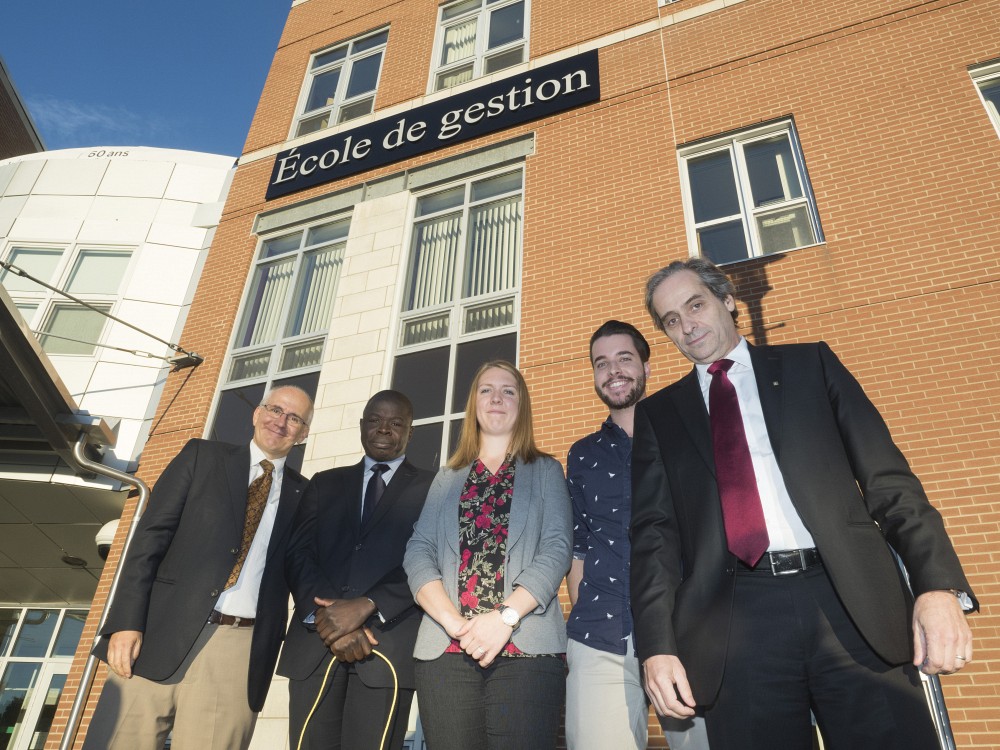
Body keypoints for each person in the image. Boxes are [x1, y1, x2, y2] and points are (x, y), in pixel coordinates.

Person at [630, 257, 977, 750]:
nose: (687, 325)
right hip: (735, 627)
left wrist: (937, 585)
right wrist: (657, 648)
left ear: (727, 300)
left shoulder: (811, 366)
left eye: (695, 305)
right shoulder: (659, 415)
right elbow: (653, 541)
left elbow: (889, 482)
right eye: (671, 320)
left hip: (849, 602)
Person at [86, 385, 313, 750]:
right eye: (275, 410)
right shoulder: (200, 456)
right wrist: (126, 621)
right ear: (256, 414)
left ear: (303, 434)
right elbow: (148, 541)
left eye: (295, 418)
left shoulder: (307, 496)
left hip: (239, 653)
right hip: (157, 634)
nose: (281, 422)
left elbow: (306, 571)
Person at [403, 360, 572, 750]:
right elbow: (418, 550)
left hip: (526, 647)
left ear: (521, 404)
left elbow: (557, 548)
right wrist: (454, 623)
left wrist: (505, 617)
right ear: (474, 404)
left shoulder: (546, 470)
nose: (497, 397)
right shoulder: (447, 477)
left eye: (508, 390)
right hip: (447, 649)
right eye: (486, 389)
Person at [566, 320, 709, 750]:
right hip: (600, 637)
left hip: (687, 632)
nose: (614, 371)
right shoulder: (582, 454)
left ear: (646, 364)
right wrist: (582, 616)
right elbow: (579, 548)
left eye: (624, 358)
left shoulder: (686, 434)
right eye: (602, 363)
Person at [280, 390, 434, 750]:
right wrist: (327, 616)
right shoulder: (324, 482)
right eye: (375, 420)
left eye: (396, 423)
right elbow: (298, 553)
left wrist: (368, 604)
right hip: (316, 645)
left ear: (410, 432)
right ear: (362, 426)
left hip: (386, 647)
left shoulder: (435, 488)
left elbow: (433, 558)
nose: (384, 429)